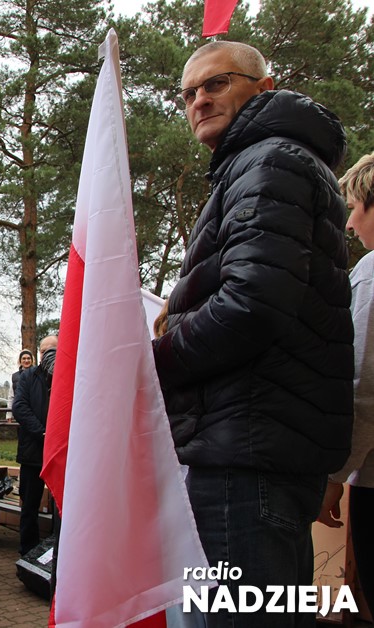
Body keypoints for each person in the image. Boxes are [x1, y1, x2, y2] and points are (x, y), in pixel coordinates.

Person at [152, 41, 353, 627]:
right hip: (256, 447)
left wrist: (152, 360)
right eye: (188, 93)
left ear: (264, 88)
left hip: (245, 455)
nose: (199, 100)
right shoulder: (266, 162)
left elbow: (251, 306)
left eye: (217, 83)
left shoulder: (270, 161)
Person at [317, 153, 374, 608]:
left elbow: (363, 387)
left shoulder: (371, 274)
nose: (350, 225)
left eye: (354, 209)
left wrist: (335, 475)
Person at [11, 335, 57, 556]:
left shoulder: (68, 374)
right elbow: (19, 407)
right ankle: (28, 550)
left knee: (62, 505)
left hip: (59, 452)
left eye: (53, 350)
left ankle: (58, 548)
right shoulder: (28, 376)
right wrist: (42, 432)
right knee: (29, 504)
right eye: (44, 351)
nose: (48, 355)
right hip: (33, 451)